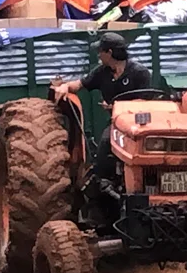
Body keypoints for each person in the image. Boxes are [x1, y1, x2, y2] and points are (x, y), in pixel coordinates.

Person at [53, 32, 151, 179]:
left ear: (109, 53)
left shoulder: (139, 73)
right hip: (116, 123)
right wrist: (65, 87)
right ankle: (104, 185)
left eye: (100, 51)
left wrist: (117, 106)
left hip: (139, 122)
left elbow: (147, 102)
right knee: (105, 147)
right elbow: (80, 84)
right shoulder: (102, 72)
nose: (98, 55)